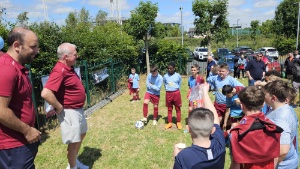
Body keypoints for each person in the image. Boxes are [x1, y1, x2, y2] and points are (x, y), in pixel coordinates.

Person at [41, 43, 89, 169]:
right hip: (70, 112)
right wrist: (59, 107)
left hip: (77, 109)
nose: (77, 56)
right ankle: (72, 167)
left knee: (81, 134)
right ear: (66, 56)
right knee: (73, 142)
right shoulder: (59, 70)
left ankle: (74, 162)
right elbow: (46, 93)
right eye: (75, 54)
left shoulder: (69, 67)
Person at [0, 27, 41, 168]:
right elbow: (1, 110)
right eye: (33, 47)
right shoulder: (6, 69)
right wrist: (27, 130)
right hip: (12, 146)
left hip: (21, 143)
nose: (37, 51)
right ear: (17, 46)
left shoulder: (17, 67)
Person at [173, 83, 226, 169]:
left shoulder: (184, 156)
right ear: (213, 130)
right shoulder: (220, 142)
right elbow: (215, 118)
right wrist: (205, 92)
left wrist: (177, 157)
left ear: (188, 129)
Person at [230, 86, 283, 169]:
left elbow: (236, 164)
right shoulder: (274, 128)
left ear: (242, 106)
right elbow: (275, 158)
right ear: (263, 104)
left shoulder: (237, 133)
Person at [264, 80, 298, 168]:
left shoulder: (280, 120)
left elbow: (283, 150)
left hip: (282, 165)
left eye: (265, 95)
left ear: (273, 98)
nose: (263, 96)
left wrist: (269, 166)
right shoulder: (284, 107)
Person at [163, 61, 183, 129]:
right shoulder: (165, 76)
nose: (169, 70)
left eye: (171, 68)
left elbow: (180, 83)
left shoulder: (178, 76)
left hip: (176, 93)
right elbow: (165, 83)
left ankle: (178, 122)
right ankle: (170, 123)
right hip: (168, 93)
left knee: (177, 108)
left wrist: (176, 89)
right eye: (168, 68)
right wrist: (168, 89)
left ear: (174, 68)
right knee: (169, 108)